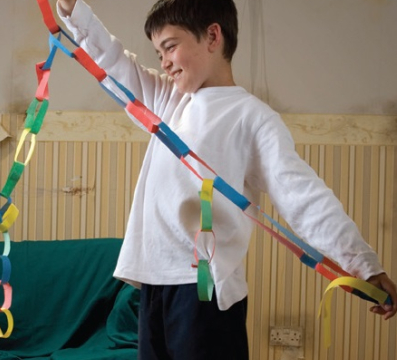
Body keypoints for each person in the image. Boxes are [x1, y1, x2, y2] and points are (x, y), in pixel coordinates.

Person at [55, 1, 397, 359]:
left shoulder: (253, 117)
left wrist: (365, 266)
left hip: (205, 292)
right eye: (159, 53)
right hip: (154, 284)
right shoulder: (167, 99)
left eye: (170, 46)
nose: (164, 61)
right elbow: (111, 58)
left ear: (213, 36)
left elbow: (305, 198)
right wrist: (72, 8)